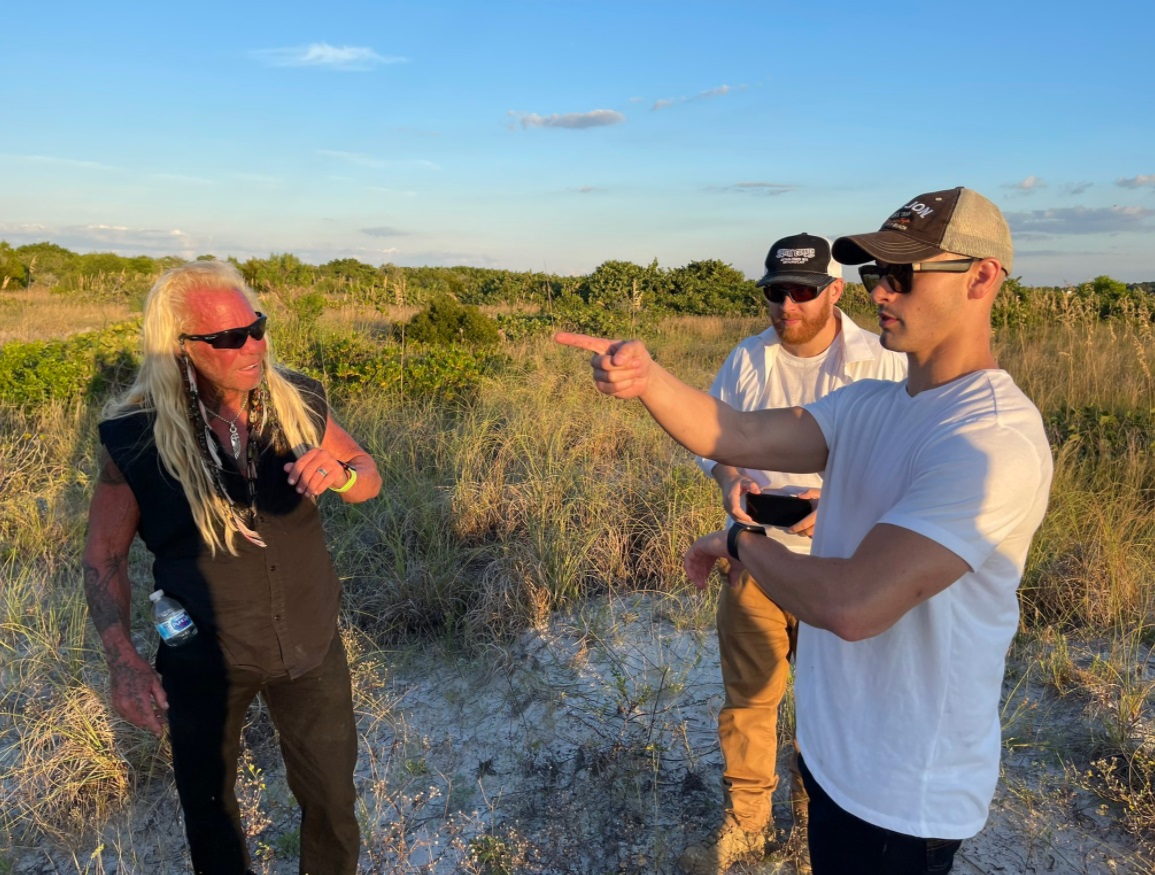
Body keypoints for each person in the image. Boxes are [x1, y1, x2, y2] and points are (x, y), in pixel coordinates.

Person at [557, 187, 1053, 874]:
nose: (882, 291)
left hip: (900, 793)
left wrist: (737, 540)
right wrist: (648, 380)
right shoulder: (871, 404)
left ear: (981, 276)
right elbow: (733, 429)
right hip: (835, 757)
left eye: (903, 274)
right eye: (876, 273)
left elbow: (851, 603)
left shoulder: (988, 437)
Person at [82, 261, 382, 875]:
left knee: (332, 801)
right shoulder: (139, 435)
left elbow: (368, 478)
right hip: (203, 655)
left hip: (309, 638)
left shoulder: (297, 400)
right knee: (210, 811)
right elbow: (104, 554)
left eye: (257, 327)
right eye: (226, 338)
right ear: (179, 349)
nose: (252, 346)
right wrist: (123, 659)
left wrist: (343, 474)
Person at [680, 234, 906, 875]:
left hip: (844, 562)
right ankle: (747, 821)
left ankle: (817, 813)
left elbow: (899, 458)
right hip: (757, 556)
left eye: (803, 292)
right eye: (775, 292)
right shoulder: (748, 358)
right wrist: (730, 482)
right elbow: (718, 439)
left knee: (834, 701)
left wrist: (830, 499)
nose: (787, 306)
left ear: (835, 291)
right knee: (750, 699)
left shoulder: (881, 358)